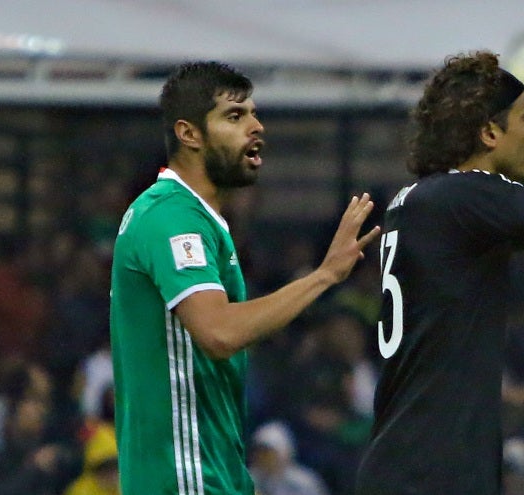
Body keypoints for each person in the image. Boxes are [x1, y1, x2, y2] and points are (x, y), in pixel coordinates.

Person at [355, 21, 524, 494]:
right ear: (488, 132)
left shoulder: (431, 200)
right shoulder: (465, 199)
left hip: (412, 461)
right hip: (433, 471)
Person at [109, 60, 380, 495]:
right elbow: (218, 332)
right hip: (185, 481)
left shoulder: (198, 219)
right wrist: (325, 276)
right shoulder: (172, 218)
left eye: (253, 113)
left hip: (213, 474)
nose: (256, 126)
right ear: (189, 133)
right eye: (235, 116)